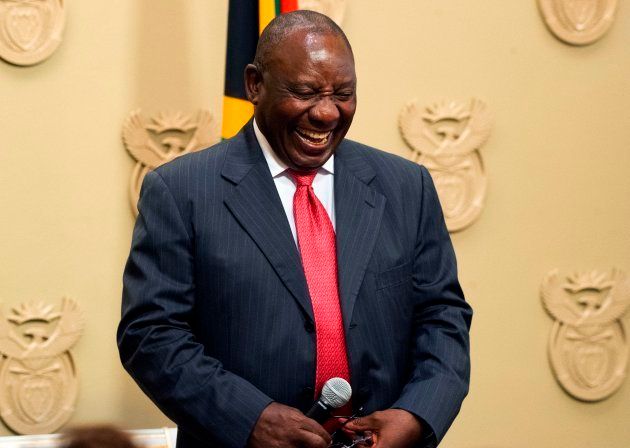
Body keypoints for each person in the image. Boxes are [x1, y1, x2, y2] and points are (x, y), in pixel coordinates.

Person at [117, 10, 471, 448]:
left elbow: (443, 316)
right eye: (304, 92)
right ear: (254, 85)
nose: (326, 113)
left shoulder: (406, 186)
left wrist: (416, 415)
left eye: (343, 94)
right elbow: (151, 335)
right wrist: (250, 420)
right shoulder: (181, 191)